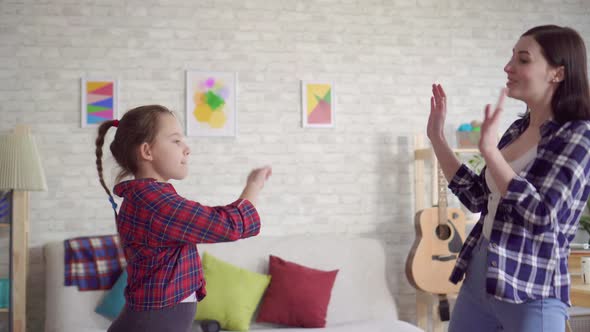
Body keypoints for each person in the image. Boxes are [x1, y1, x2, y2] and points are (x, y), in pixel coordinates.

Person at [427, 25, 590, 332]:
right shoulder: (518, 129)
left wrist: (490, 152)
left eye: (523, 59)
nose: (508, 66)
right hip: (480, 279)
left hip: (532, 290)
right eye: (511, 56)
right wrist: (437, 138)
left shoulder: (579, 137)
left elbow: (541, 217)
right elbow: (477, 197)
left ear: (558, 73)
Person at [94, 104, 272, 332]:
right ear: (147, 151)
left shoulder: (149, 198)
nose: (186, 149)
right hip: (154, 322)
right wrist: (254, 185)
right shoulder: (154, 202)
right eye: (176, 141)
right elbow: (229, 225)